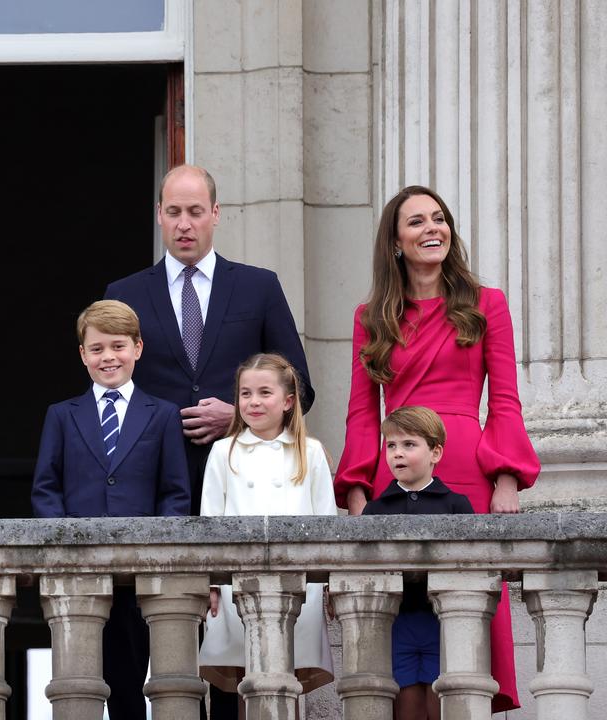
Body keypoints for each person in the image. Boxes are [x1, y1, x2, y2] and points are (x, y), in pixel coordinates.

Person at [105, 164, 313, 717]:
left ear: (216, 215)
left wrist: (238, 417)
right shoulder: (125, 294)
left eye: (196, 211)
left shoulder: (257, 285)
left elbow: (301, 386)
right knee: (145, 644)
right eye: (174, 211)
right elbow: (109, 390)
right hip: (153, 494)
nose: (185, 223)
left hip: (241, 492)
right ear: (159, 216)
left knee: (229, 656)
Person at [334, 185, 539, 712]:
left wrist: (507, 480)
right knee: (401, 638)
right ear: (395, 242)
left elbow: (506, 401)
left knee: (467, 627)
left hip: (466, 470)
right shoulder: (370, 316)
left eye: (439, 218)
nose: (432, 228)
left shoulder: (485, 303)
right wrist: (359, 495)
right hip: (394, 475)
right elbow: (361, 412)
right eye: (417, 221)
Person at [31, 299, 189, 719]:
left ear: (138, 348)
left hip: (139, 575)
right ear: (82, 354)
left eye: (117, 346)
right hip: (80, 572)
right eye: (97, 348)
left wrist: (159, 553)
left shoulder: (163, 414)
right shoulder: (62, 415)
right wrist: (66, 545)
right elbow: (46, 489)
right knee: (78, 680)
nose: (108, 357)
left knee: (132, 678)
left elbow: (175, 493)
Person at [198, 353, 335, 699]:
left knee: (291, 677)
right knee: (246, 678)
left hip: (300, 584)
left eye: (264, 392)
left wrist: (331, 582)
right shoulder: (223, 451)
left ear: (288, 401)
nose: (253, 402)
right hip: (236, 586)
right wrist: (212, 582)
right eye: (245, 393)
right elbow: (209, 520)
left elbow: (328, 523)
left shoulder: (311, 452)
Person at [362, 406, 474, 720]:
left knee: (441, 703)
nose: (397, 453)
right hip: (396, 624)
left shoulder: (456, 505)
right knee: (405, 705)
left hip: (443, 623)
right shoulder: (375, 510)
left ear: (435, 452)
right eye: (391, 446)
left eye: (409, 444)